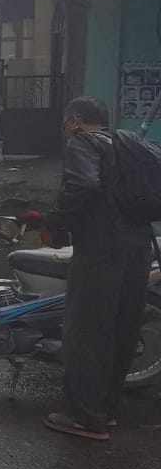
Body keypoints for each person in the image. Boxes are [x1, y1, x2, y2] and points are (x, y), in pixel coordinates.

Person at [43, 96, 154, 440]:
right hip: (139, 248)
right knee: (122, 330)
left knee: (88, 333)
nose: (66, 132)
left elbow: (84, 185)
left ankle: (84, 418)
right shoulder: (127, 144)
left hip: (101, 250)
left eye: (65, 126)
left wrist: (56, 222)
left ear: (74, 121)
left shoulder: (82, 143)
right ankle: (105, 412)